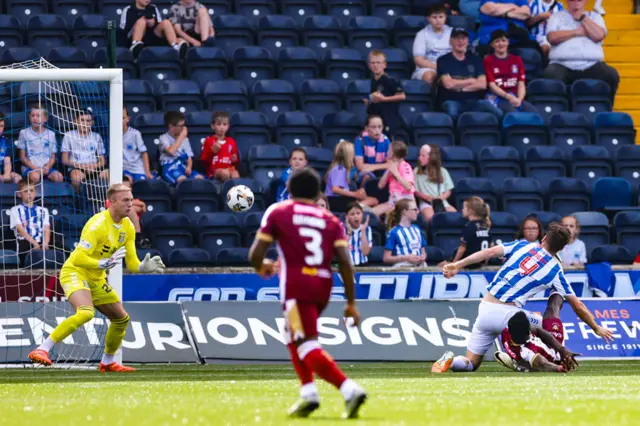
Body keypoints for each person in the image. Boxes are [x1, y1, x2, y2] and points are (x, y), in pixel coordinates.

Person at [248, 168, 367, 419]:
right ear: (316, 193)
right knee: (292, 335)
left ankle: (349, 389)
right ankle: (309, 393)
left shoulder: (279, 211)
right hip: (323, 286)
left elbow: (255, 255)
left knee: (306, 343)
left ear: (289, 191)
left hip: (296, 287)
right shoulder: (330, 220)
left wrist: (262, 267)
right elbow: (345, 262)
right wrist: (351, 303)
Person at [431, 222, 614, 373]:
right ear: (562, 248)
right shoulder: (555, 270)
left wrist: (457, 265)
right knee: (549, 328)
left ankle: (451, 360)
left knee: (471, 364)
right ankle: (520, 361)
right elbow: (578, 306)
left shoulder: (522, 245)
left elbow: (488, 253)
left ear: (543, 238)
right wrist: (596, 327)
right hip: (509, 315)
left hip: (485, 309)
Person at [28, 183, 166, 371]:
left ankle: (108, 362)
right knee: (86, 312)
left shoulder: (128, 227)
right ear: (111, 203)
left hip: (96, 278)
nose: (130, 204)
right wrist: (100, 264)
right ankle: (42, 349)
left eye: (131, 200)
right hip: (75, 271)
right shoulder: (96, 224)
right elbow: (77, 257)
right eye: (126, 200)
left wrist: (142, 267)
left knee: (121, 319)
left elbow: (132, 263)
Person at [543, 0, 619, 98]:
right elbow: (552, 38)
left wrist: (583, 18)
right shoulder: (556, 17)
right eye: (572, 0)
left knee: (611, 75)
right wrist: (577, 32)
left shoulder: (595, 17)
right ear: (567, 1)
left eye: (579, 0)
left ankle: (604, 108)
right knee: (549, 75)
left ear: (585, 1)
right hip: (562, 64)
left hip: (591, 64)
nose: (576, 2)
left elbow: (599, 35)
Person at [436, 28, 501, 121]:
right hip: (451, 100)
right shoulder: (443, 60)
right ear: (450, 41)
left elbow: (482, 84)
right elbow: (448, 84)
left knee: (497, 112)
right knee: (452, 112)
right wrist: (471, 81)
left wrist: (459, 87)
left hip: (474, 101)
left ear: (468, 41)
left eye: (463, 38)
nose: (460, 41)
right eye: (457, 38)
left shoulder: (476, 59)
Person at [495, 303, 580, 373]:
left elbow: (539, 332)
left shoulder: (525, 348)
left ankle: (519, 366)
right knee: (552, 309)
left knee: (553, 306)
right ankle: (521, 366)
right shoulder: (525, 349)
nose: (525, 338)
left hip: (553, 352)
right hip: (550, 355)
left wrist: (561, 350)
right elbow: (542, 362)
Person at [484, 30, 538, 116]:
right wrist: (508, 97)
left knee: (534, 113)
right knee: (513, 114)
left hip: (515, 97)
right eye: (497, 41)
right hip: (498, 97)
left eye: (503, 40)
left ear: (508, 42)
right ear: (492, 45)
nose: (501, 44)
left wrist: (519, 99)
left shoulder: (517, 60)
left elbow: (521, 83)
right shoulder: (488, 60)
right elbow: (492, 85)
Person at [9, 181, 61, 264]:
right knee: (26, 251)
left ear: (35, 193)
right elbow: (20, 230)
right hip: (25, 241)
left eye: (31, 191)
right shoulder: (15, 210)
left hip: (42, 241)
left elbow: (46, 228)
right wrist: (34, 243)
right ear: (19, 194)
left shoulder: (43, 210)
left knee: (61, 249)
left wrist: (45, 243)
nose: (29, 193)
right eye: (26, 191)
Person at [120, 0, 188, 59]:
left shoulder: (153, 8)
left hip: (152, 37)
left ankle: (176, 47)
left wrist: (153, 23)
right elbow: (124, 30)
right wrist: (141, 23)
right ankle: (135, 46)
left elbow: (160, 25)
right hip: (134, 37)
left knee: (166, 22)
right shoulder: (128, 9)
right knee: (142, 21)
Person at [61, 110, 109, 192]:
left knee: (110, 174)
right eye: (82, 120)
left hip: (93, 168)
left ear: (92, 123)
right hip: (77, 168)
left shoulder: (97, 137)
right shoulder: (68, 135)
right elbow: (64, 160)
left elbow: (102, 161)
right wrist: (80, 166)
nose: (85, 123)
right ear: (75, 121)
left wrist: (93, 166)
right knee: (76, 178)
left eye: (88, 121)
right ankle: (79, 202)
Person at [16, 106, 63, 184]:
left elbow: (53, 157)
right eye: (33, 115)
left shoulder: (51, 134)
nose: (35, 118)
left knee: (59, 177)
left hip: (46, 168)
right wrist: (36, 168)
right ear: (29, 117)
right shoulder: (24, 133)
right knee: (35, 176)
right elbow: (22, 157)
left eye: (38, 116)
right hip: (29, 167)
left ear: (45, 119)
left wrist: (47, 167)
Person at [365, 50, 406, 139]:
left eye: (378, 62)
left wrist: (384, 99)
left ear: (384, 65)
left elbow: (402, 95)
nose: (375, 65)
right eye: (373, 63)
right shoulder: (373, 81)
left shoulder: (389, 80)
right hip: (377, 120)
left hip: (388, 119)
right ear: (369, 65)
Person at [325, 140, 378, 208]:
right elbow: (335, 189)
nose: (354, 155)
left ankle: (357, 208)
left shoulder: (344, 169)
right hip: (335, 201)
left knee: (373, 200)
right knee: (373, 201)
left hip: (342, 199)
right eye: (353, 153)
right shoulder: (339, 169)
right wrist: (354, 194)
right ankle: (356, 208)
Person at [158, 111, 204, 184]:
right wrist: (181, 136)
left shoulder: (185, 139)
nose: (184, 128)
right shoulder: (163, 138)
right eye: (181, 126)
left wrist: (189, 167)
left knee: (200, 179)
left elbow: (188, 157)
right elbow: (171, 151)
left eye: (184, 125)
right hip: (169, 167)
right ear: (171, 127)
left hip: (182, 166)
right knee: (183, 181)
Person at [372, 140, 415, 218]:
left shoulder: (405, 166)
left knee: (390, 216)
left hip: (405, 202)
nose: (387, 152)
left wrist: (396, 173)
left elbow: (408, 187)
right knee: (372, 214)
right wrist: (389, 170)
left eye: (389, 150)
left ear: (393, 154)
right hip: (392, 201)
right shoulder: (392, 166)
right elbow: (380, 186)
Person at [412, 4, 452, 86]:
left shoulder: (453, 32)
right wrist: (440, 68)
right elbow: (418, 60)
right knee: (429, 77)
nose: (438, 20)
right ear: (428, 19)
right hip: (429, 67)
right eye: (434, 17)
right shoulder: (421, 34)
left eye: (441, 17)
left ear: (445, 17)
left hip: (450, 66)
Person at [414, 144, 456, 223]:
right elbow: (415, 191)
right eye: (419, 155)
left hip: (442, 202)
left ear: (431, 157)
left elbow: (448, 191)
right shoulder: (416, 171)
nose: (419, 158)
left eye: (423, 156)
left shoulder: (442, 171)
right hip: (426, 203)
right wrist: (426, 197)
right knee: (432, 219)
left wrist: (441, 198)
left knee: (455, 216)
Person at [106, 177, 152, 249]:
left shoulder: (136, 200)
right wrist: (133, 205)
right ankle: (138, 238)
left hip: (132, 227)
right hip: (118, 228)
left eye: (127, 188)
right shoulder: (112, 200)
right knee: (131, 210)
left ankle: (138, 238)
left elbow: (142, 207)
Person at [383, 199, 427, 267]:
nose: (417, 212)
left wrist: (423, 257)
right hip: (403, 267)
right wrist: (405, 258)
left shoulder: (417, 229)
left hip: (420, 266)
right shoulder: (394, 232)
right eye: (414, 209)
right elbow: (386, 258)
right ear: (405, 211)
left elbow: (423, 251)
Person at [451, 196, 492, 266]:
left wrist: (454, 263)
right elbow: (491, 247)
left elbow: (462, 248)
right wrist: (485, 263)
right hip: (480, 263)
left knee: (441, 265)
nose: (462, 210)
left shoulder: (469, 227)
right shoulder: (485, 226)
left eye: (464, 208)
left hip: (469, 263)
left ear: (470, 211)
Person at [201, 111, 240, 181]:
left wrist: (234, 159)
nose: (222, 127)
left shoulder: (231, 141)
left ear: (228, 126)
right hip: (214, 170)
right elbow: (204, 160)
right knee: (224, 174)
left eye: (224, 124)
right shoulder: (209, 140)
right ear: (213, 126)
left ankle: (235, 191)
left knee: (235, 174)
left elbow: (235, 161)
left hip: (229, 168)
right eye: (219, 124)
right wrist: (213, 152)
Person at [353, 115, 391, 184]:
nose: (377, 130)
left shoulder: (386, 140)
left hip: (381, 171)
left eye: (379, 127)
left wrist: (373, 167)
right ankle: (362, 193)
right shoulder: (360, 140)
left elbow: (391, 164)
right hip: (365, 173)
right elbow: (360, 166)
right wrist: (382, 166)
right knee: (367, 176)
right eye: (373, 127)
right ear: (367, 128)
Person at [123, 106, 155, 182]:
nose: (120, 121)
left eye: (122, 118)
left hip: (138, 168)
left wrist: (147, 172)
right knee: (126, 181)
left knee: (141, 183)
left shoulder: (135, 134)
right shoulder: (112, 134)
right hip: (124, 169)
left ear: (128, 119)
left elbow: (144, 153)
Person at [345, 202, 372, 266]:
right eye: (352, 214)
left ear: (362, 215)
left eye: (358, 213)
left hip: (363, 265)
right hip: (347, 265)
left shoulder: (367, 229)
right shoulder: (342, 228)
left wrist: (363, 231)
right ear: (347, 217)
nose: (356, 216)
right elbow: (340, 251)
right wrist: (348, 232)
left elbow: (365, 252)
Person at [0, 113, 21, 184]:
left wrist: (7, 173)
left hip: (3, 170)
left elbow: (7, 161)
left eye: (1, 126)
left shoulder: (6, 141)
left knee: (18, 178)